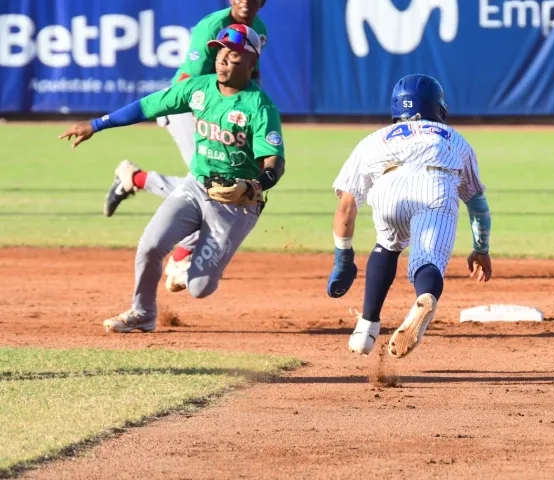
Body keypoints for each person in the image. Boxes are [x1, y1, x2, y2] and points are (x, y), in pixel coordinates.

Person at [59, 24, 285, 333]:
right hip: (195, 186)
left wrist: (255, 186)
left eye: (232, 55)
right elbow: (147, 106)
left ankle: (193, 253)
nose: (222, 60)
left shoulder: (260, 107)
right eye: (219, 52)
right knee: (150, 245)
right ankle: (143, 312)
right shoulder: (198, 88)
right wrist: (96, 124)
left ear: (251, 62)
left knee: (199, 288)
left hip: (236, 204)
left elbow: (274, 162)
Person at [103, 0, 269, 289]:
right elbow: (189, 82)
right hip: (188, 106)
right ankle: (181, 256)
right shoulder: (212, 26)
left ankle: (135, 179)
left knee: (216, 182)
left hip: (223, 107)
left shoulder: (259, 29)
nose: (245, 1)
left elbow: (251, 75)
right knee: (208, 183)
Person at [326, 74, 493, 358]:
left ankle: (366, 329)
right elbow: (477, 204)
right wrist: (481, 249)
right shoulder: (454, 138)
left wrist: (343, 261)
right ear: (438, 107)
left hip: (388, 189)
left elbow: (346, 207)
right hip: (434, 187)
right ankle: (424, 298)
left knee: (387, 245)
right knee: (426, 261)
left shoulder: (373, 140)